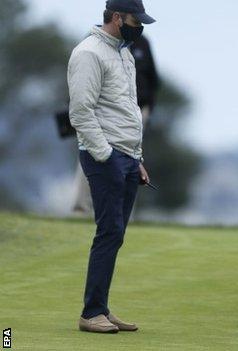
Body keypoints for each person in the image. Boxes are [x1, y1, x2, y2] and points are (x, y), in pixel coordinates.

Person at [68, 0, 156, 333]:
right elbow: (81, 112)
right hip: (104, 156)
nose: (140, 27)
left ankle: (100, 308)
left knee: (115, 233)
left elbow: (128, 112)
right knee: (109, 231)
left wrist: (138, 158)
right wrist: (105, 155)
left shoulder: (124, 53)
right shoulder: (89, 53)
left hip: (127, 157)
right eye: (136, 20)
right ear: (117, 17)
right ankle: (91, 313)